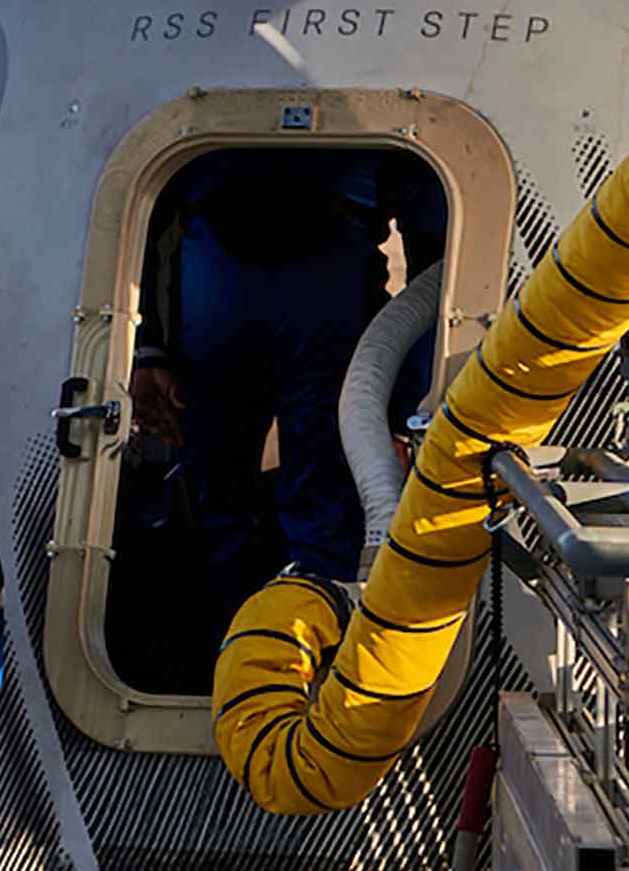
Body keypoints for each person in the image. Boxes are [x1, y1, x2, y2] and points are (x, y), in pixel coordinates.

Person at [132, 148, 445, 590]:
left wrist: (399, 415)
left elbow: (436, 257)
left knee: (290, 502)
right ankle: (274, 626)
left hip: (262, 292)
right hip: (287, 293)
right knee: (266, 503)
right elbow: (433, 251)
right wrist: (150, 351)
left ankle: (280, 624)